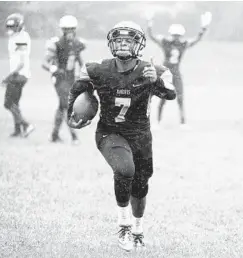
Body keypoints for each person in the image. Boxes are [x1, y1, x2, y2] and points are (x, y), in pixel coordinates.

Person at [67, 21, 176, 251]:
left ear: (139, 45)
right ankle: (124, 226)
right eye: (119, 40)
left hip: (141, 136)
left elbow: (170, 94)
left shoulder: (152, 70)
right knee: (125, 170)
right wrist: (72, 113)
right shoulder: (99, 69)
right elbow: (77, 89)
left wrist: (154, 81)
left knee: (140, 185)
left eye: (129, 40)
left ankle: (137, 229)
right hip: (110, 132)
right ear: (112, 44)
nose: (124, 44)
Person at [147, 11, 212, 124]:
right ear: (172, 34)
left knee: (180, 98)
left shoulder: (182, 43)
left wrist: (203, 29)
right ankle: (158, 121)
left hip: (176, 73)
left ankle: (182, 122)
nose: (176, 37)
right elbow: (152, 36)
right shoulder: (166, 42)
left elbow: (196, 40)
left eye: (178, 35)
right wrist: (149, 24)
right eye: (175, 35)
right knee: (163, 97)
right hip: (166, 73)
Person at [42, 15, 87, 143]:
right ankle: (74, 137)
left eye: (72, 29)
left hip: (71, 78)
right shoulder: (56, 43)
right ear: (62, 30)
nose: (69, 32)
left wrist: (84, 74)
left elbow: (79, 60)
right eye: (67, 29)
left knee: (62, 106)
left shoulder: (77, 44)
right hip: (59, 79)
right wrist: (54, 69)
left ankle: (54, 136)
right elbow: (44, 63)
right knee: (67, 105)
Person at [1, 13, 35, 137]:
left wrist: (9, 76)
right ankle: (18, 130)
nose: (11, 29)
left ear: (19, 26)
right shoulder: (18, 37)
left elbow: (21, 62)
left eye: (14, 27)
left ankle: (26, 125)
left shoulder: (21, 38)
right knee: (15, 103)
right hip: (21, 75)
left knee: (8, 103)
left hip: (19, 75)